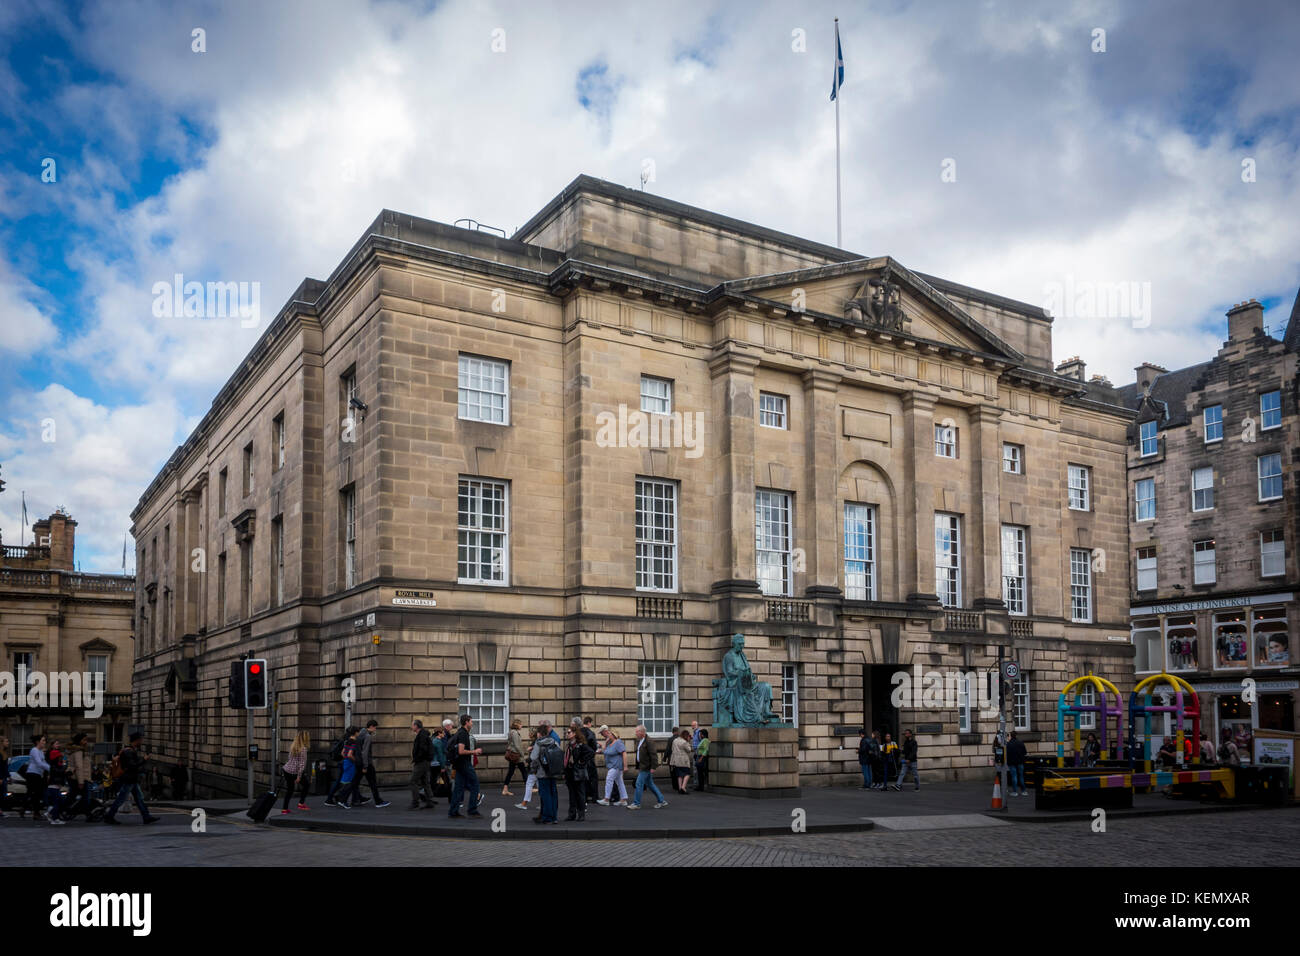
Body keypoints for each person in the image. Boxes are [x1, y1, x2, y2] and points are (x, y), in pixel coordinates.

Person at [104, 732, 159, 825]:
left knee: (139, 799)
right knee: (121, 799)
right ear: (136, 740)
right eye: (140, 739)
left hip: (132, 779)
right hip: (129, 779)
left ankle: (146, 817)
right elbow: (132, 765)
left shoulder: (130, 750)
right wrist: (144, 760)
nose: (142, 741)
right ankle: (109, 816)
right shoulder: (128, 751)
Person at [448, 714, 484, 818]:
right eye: (471, 721)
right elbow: (461, 751)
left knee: (458, 788)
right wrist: (474, 751)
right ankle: (472, 810)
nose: (472, 724)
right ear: (466, 722)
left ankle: (453, 811)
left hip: (459, 764)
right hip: (464, 764)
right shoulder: (463, 734)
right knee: (475, 785)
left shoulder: (459, 733)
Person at [628, 724, 667, 809]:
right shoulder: (640, 740)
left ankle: (636, 803)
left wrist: (653, 767)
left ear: (642, 732)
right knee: (650, 784)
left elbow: (654, 755)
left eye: (637, 731)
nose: (636, 733)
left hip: (646, 767)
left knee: (639, 784)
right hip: (642, 766)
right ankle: (662, 800)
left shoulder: (649, 741)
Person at [25, 734, 61, 825]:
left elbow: (44, 762)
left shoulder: (40, 751)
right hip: (32, 774)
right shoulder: (34, 750)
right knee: (36, 793)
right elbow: (39, 762)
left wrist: (51, 769)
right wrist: (51, 769)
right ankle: (35, 813)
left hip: (38, 774)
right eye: (43, 741)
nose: (45, 742)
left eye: (45, 741)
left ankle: (31, 810)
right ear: (38, 742)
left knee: (38, 793)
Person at [353, 720, 390, 807]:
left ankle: (353, 799)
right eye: (375, 727)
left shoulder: (360, 734)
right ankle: (378, 801)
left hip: (358, 762)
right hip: (366, 764)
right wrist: (365, 766)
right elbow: (365, 752)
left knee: (355, 783)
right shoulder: (367, 736)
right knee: (373, 783)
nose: (375, 729)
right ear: (372, 726)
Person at [531, 722, 561, 824]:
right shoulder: (554, 741)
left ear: (540, 733)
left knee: (545, 795)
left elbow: (533, 758)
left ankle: (547, 817)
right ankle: (554, 817)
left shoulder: (538, 743)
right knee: (553, 794)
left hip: (542, 772)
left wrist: (533, 769)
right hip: (552, 772)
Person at [564, 725, 592, 821]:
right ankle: (572, 814)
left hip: (578, 773)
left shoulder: (580, 745)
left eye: (569, 732)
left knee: (580, 794)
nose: (567, 734)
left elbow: (591, 752)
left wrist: (582, 761)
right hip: (570, 772)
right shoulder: (569, 745)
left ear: (574, 733)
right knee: (572, 794)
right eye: (567, 732)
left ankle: (581, 814)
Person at [596, 726, 628, 806]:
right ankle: (623, 799)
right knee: (619, 782)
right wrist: (601, 749)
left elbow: (624, 753)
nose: (608, 734)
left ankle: (606, 799)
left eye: (610, 733)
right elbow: (606, 751)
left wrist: (625, 766)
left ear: (613, 734)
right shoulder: (610, 743)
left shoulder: (618, 742)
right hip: (612, 766)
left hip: (616, 766)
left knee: (609, 779)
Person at [281, 731, 311, 814]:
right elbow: (302, 764)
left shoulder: (293, 746)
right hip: (294, 771)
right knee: (307, 784)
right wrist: (299, 776)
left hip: (287, 769)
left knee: (289, 790)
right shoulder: (303, 749)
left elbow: (289, 758)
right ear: (305, 738)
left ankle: (284, 809)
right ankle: (301, 803)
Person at [65, 732, 94, 818]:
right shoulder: (78, 751)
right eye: (84, 740)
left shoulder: (76, 750)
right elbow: (79, 766)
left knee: (73, 797)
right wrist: (81, 782)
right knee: (85, 798)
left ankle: (62, 810)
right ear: (79, 741)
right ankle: (88, 815)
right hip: (82, 778)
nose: (86, 742)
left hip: (76, 777)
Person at [408, 720, 434, 809]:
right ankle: (430, 801)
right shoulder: (423, 734)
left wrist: (417, 759)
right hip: (425, 761)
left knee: (413, 781)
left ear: (416, 726)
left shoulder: (421, 735)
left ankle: (415, 802)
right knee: (425, 781)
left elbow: (423, 749)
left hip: (421, 762)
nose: (411, 727)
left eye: (412, 725)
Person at [333, 727, 361, 808]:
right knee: (349, 783)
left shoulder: (347, 741)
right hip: (350, 764)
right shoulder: (354, 742)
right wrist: (355, 760)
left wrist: (346, 759)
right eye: (358, 732)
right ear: (355, 733)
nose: (358, 734)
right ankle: (342, 800)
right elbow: (349, 754)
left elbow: (342, 753)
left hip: (345, 763)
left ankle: (340, 798)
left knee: (345, 782)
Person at [515, 727, 540, 810]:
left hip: (535, 767)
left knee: (529, 784)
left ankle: (524, 803)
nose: (529, 734)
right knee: (538, 785)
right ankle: (542, 804)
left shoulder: (535, 742)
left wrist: (527, 760)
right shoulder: (535, 742)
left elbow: (535, 755)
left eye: (530, 733)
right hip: (537, 767)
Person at [503, 718, 528, 797]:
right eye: (520, 724)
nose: (522, 725)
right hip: (517, 756)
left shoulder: (511, 732)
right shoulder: (515, 733)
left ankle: (505, 789)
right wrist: (522, 754)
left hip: (513, 755)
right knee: (524, 771)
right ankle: (529, 788)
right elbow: (517, 746)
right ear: (517, 725)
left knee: (511, 772)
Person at [581, 717, 600, 802]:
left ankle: (584, 796)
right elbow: (594, 747)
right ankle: (594, 797)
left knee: (583, 778)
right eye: (591, 723)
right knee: (593, 778)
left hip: (580, 759)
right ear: (588, 723)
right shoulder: (590, 733)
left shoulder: (579, 732)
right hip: (589, 759)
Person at [670, 728, 693, 794]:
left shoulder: (675, 740)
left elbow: (672, 749)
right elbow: (689, 750)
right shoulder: (684, 742)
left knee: (679, 775)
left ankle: (680, 788)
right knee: (687, 774)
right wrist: (689, 742)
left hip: (676, 760)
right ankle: (683, 787)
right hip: (683, 761)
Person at [1006, 731, 1028, 796]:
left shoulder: (1009, 744)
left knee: (1014, 777)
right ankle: (1024, 791)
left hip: (1012, 762)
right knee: (1021, 776)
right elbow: (1025, 753)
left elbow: (1007, 754)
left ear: (1010, 736)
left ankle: (1015, 792)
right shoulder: (1021, 743)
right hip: (1020, 762)